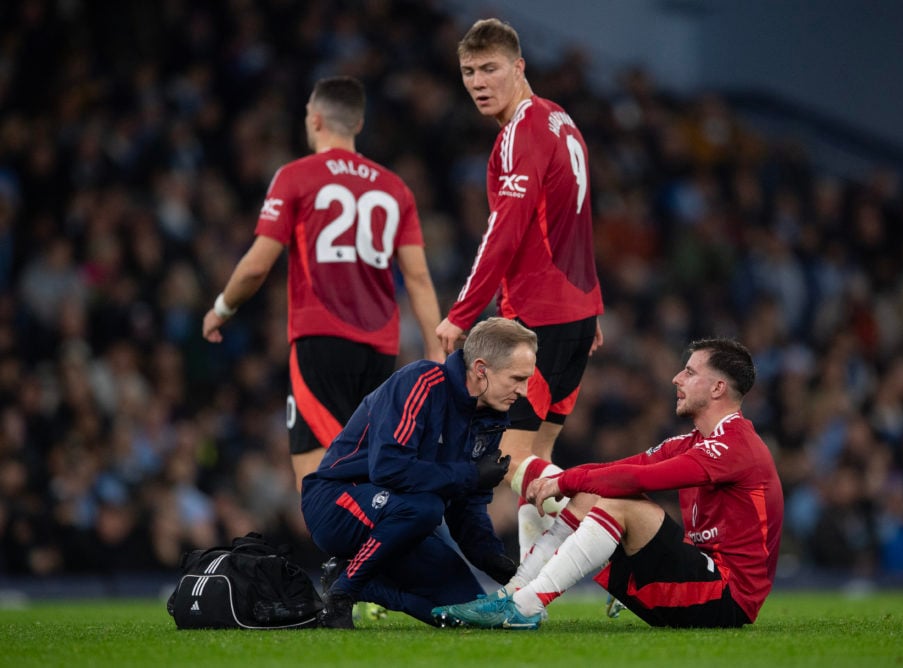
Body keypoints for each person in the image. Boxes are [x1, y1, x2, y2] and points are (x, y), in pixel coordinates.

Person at [432, 337, 784, 630]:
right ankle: (515, 594)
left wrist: (564, 481)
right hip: (697, 578)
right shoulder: (694, 443)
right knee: (599, 489)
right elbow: (624, 468)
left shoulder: (735, 446)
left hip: (727, 599)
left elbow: (640, 478)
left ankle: (524, 607)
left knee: (618, 500)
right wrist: (573, 482)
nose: (676, 378)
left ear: (718, 387)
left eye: (690, 372)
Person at [202, 76, 445, 491]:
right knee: (368, 468)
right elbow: (419, 277)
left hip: (321, 341)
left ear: (315, 120)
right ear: (358, 122)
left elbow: (257, 266)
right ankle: (371, 554)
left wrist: (221, 308)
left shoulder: (296, 176)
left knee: (317, 479)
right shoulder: (394, 188)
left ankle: (348, 555)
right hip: (379, 349)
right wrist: (435, 351)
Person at [435, 18, 605, 554]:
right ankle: (532, 583)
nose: (479, 82)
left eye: (490, 68)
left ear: (518, 67)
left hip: (541, 316)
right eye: (468, 71)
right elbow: (574, 218)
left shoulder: (520, 134)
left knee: (509, 459)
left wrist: (461, 314)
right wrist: (590, 305)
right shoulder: (560, 120)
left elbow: (503, 230)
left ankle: (622, 534)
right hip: (573, 313)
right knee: (539, 459)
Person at [302, 317, 537, 629]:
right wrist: (469, 475)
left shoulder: (490, 420)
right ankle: (342, 595)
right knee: (425, 507)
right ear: (481, 370)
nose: (523, 391)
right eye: (517, 378)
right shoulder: (420, 383)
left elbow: (466, 506)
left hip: (402, 523)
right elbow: (388, 468)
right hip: (336, 500)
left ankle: (358, 581)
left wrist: (497, 563)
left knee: (468, 614)